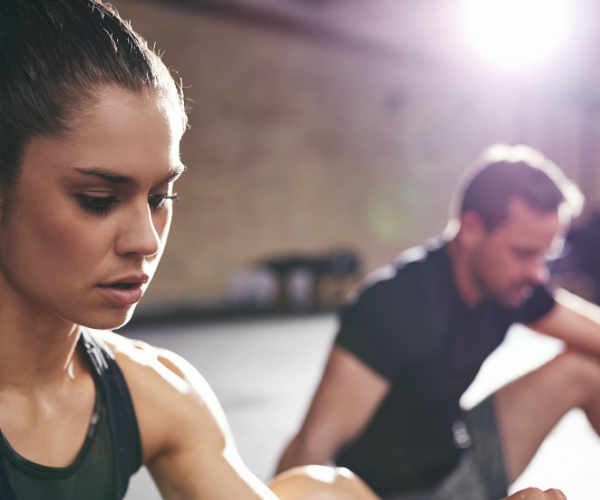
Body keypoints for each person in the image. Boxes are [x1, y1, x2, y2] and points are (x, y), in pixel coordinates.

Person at [0, 1, 568, 499]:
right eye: (99, 199)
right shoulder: (403, 304)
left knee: (325, 491)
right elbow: (317, 439)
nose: (146, 240)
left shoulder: (157, 394)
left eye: (161, 196)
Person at [276, 145, 598, 500]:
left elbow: (592, 333)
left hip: (458, 456)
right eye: (524, 253)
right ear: (472, 230)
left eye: (545, 255)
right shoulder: (396, 306)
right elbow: (309, 450)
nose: (538, 273)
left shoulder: (513, 286)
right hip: (392, 493)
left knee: (587, 369)